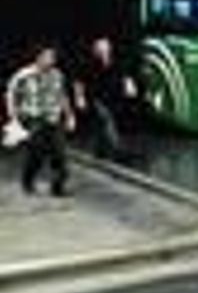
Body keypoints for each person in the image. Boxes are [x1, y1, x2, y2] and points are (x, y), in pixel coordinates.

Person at [6, 44, 75, 197]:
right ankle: (28, 180)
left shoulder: (57, 74)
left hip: (54, 118)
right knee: (36, 154)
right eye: (48, 56)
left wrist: (70, 116)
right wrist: (13, 117)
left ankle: (58, 187)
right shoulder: (23, 75)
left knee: (60, 154)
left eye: (53, 57)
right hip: (33, 119)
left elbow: (63, 96)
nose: (51, 60)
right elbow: (11, 94)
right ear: (39, 57)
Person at [75, 36, 137, 162]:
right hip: (96, 98)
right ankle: (118, 150)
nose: (102, 50)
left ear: (109, 48)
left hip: (114, 97)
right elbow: (79, 82)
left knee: (102, 124)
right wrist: (79, 97)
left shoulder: (116, 61)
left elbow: (125, 75)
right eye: (99, 48)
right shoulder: (88, 63)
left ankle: (100, 150)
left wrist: (130, 86)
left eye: (105, 47)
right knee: (106, 119)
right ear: (95, 50)